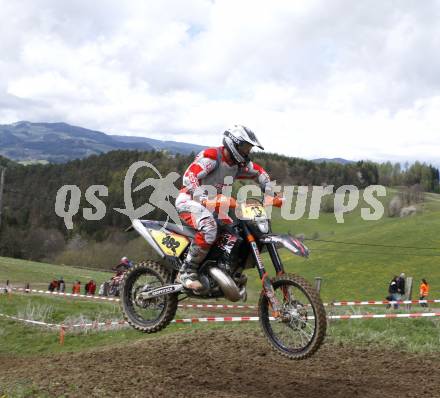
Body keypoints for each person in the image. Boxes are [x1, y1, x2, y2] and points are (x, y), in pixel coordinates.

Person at [175, 125, 274, 290]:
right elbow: (189, 177)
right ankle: (186, 272)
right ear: (233, 143)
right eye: (245, 147)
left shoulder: (237, 164)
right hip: (190, 200)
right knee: (209, 227)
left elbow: (259, 172)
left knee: (235, 232)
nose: (247, 152)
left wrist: (271, 193)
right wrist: (204, 198)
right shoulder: (212, 157)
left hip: (214, 205)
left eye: (249, 149)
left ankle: (228, 270)